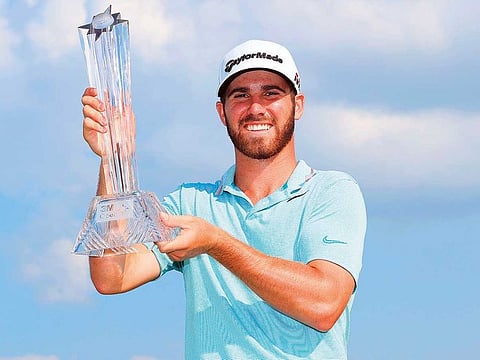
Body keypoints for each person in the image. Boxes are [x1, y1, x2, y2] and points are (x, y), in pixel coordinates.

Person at [81, 39, 367, 359]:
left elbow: (324, 304)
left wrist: (216, 243)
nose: (255, 107)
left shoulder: (331, 192)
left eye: (271, 93)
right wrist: (113, 158)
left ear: (298, 105)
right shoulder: (191, 204)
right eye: (240, 95)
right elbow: (111, 275)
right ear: (222, 112)